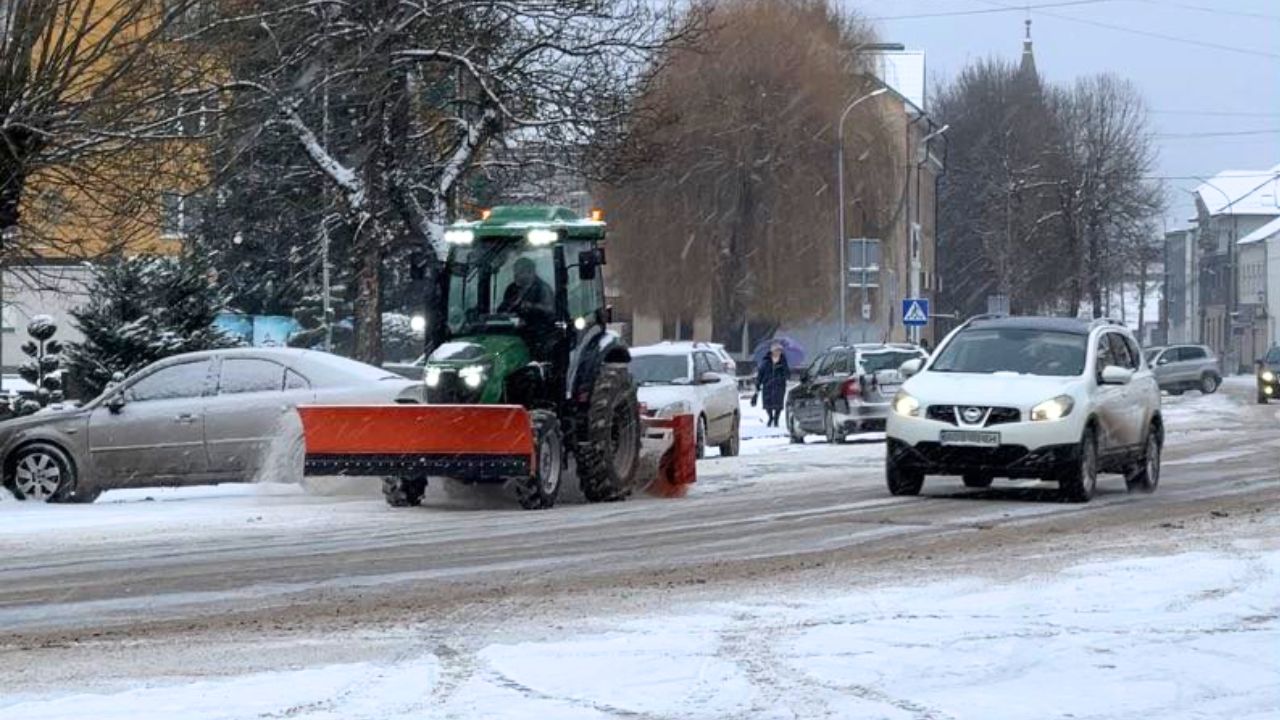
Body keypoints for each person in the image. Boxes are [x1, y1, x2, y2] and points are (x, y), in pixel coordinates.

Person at [498, 256, 556, 358]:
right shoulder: (512, 289)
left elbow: (550, 310)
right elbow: (503, 307)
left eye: (520, 272)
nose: (516, 275)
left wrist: (531, 306)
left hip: (538, 336)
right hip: (513, 333)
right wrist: (505, 313)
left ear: (530, 272)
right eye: (515, 272)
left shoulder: (542, 289)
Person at [753, 341, 789, 428]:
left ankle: (776, 419)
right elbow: (761, 373)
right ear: (772, 351)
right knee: (767, 403)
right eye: (776, 350)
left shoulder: (783, 361)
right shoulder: (766, 361)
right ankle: (770, 417)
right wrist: (758, 384)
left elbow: (787, 374)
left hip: (779, 385)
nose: (778, 352)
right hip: (768, 385)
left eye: (779, 350)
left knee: (778, 403)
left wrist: (782, 370)